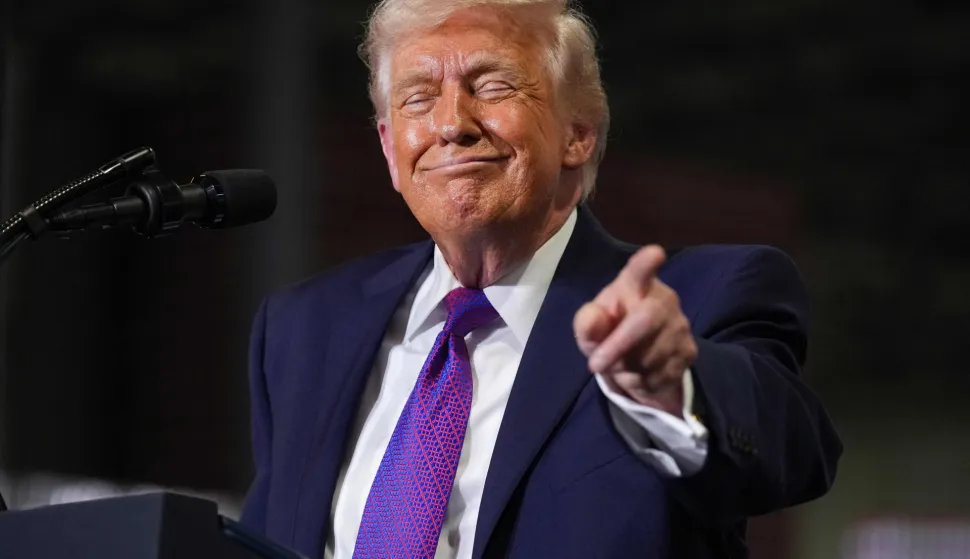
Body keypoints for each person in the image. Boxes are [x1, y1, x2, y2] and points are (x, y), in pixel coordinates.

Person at [239, 1, 843, 557]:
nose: (453, 123)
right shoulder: (306, 328)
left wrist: (671, 388)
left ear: (577, 133)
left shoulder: (695, 298)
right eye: (417, 98)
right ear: (391, 151)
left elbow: (795, 452)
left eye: (493, 86)